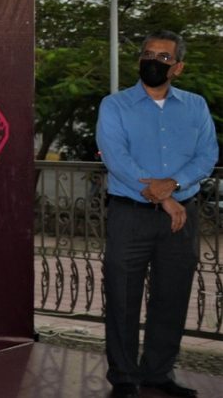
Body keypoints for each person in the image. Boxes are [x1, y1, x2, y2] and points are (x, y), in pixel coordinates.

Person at [97, 30, 217, 398]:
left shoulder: (195, 106)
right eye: (148, 54)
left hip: (181, 218)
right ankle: (123, 378)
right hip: (130, 214)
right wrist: (162, 197)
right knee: (122, 296)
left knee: (172, 296)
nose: (154, 61)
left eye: (164, 57)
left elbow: (207, 156)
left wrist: (175, 185)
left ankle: (157, 373)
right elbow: (117, 160)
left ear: (177, 67)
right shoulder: (114, 105)